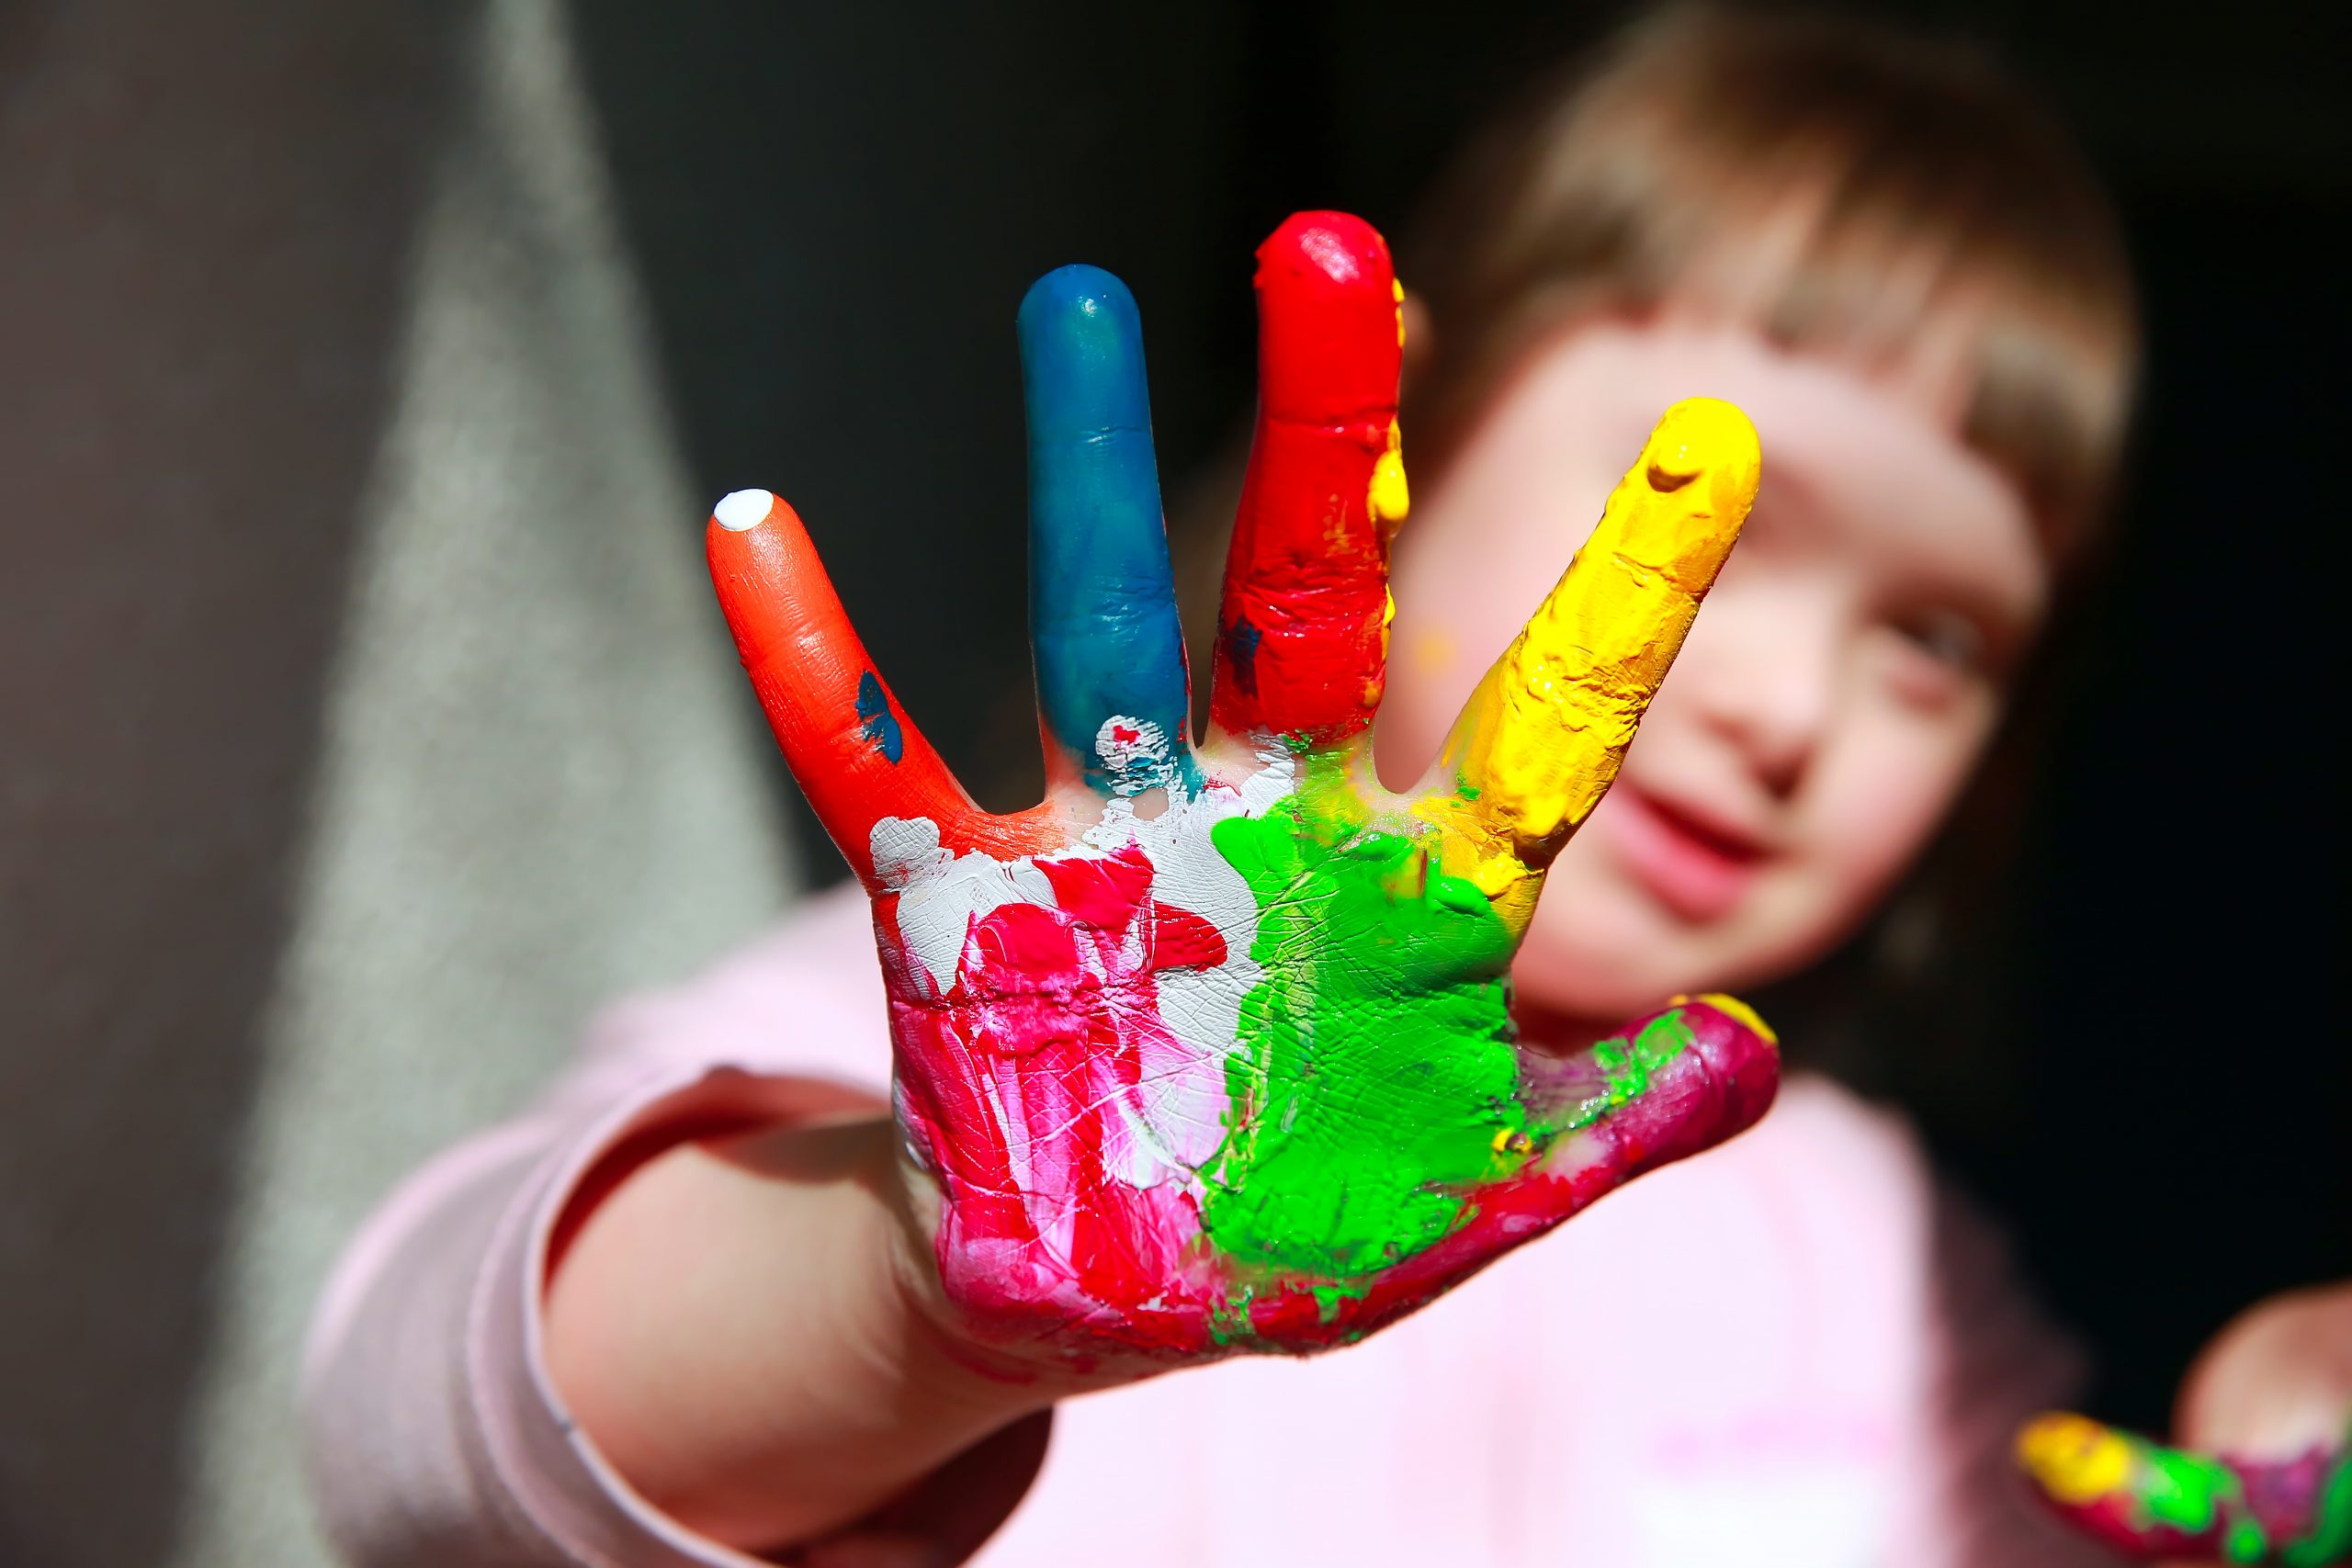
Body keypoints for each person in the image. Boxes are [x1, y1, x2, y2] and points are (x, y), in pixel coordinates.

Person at [302, 6, 2167, 1564]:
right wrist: (913, 1285)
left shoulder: (1854, 1240)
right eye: (1712, 520)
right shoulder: (997, 1027)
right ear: (1392, 441)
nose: (1787, 705)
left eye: (1931, 639)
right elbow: (409, 1434)